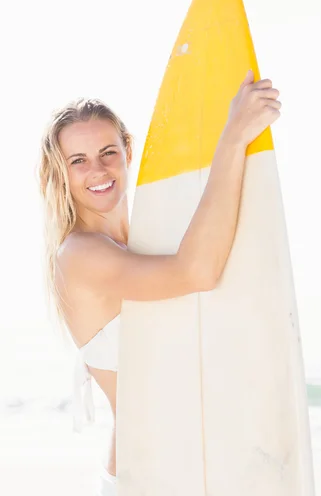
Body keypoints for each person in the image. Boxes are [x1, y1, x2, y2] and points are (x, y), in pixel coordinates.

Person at [37, 69, 281, 494]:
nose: (97, 170)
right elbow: (197, 272)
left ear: (128, 150)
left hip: (191, 462)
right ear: (61, 171)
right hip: (146, 474)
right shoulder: (80, 254)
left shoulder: (145, 243)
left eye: (108, 152)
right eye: (78, 161)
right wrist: (234, 137)